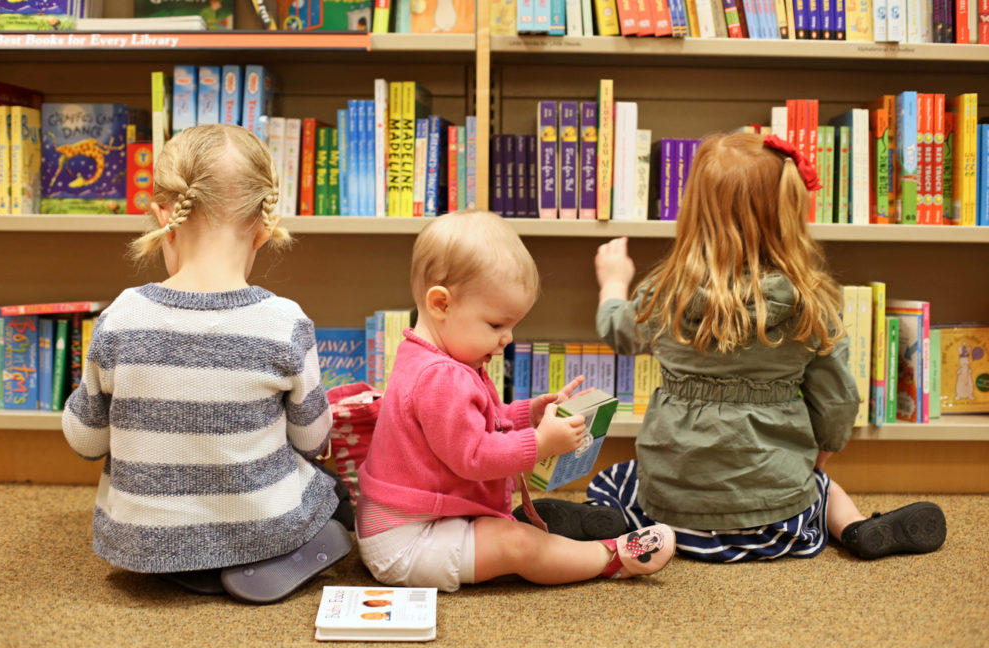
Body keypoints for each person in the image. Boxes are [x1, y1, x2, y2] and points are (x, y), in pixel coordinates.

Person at [538, 132, 946, 562]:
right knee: (821, 488)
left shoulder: (666, 294)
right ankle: (857, 527)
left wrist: (614, 281)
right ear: (789, 215)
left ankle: (616, 527)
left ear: (694, 211)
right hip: (776, 523)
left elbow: (617, 331)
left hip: (673, 516)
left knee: (616, 481)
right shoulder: (809, 302)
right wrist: (819, 457)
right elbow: (838, 400)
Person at [62, 124, 352, 604]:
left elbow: (85, 441)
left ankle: (186, 567)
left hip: (142, 544)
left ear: (162, 215)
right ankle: (252, 554)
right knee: (334, 494)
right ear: (265, 225)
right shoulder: (285, 322)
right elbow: (312, 440)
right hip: (260, 525)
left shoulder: (119, 318)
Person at [355, 210, 675, 592]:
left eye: (512, 325)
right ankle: (611, 558)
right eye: (495, 325)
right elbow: (473, 456)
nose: (507, 338)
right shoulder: (442, 377)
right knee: (518, 545)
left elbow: (477, 421)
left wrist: (529, 413)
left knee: (514, 531)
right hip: (407, 542)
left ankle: (557, 543)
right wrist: (540, 444)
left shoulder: (434, 357)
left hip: (421, 521)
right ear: (441, 304)